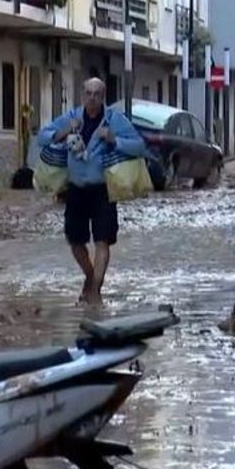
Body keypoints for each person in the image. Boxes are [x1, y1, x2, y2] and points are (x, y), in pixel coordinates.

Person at [37, 78, 147, 305]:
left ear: (103, 96)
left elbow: (139, 146)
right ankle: (90, 277)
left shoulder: (115, 120)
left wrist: (114, 139)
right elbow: (42, 137)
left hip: (103, 189)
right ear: (82, 94)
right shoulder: (71, 117)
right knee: (75, 241)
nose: (92, 98)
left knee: (102, 241)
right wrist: (63, 132)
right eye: (88, 93)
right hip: (75, 189)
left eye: (97, 94)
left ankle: (95, 290)